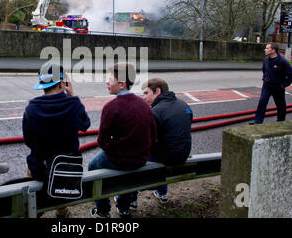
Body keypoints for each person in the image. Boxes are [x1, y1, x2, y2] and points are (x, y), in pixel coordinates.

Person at [22, 62, 91, 218]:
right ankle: (62, 210)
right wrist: (73, 94)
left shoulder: (31, 109)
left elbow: (28, 141)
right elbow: (85, 125)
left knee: (31, 166)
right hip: (67, 168)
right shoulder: (73, 104)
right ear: (62, 83)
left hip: (40, 168)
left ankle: (35, 208)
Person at [89, 62, 157, 218]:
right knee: (128, 174)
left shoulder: (111, 107)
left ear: (121, 84)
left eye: (110, 79)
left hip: (121, 158)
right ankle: (124, 207)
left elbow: (102, 142)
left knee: (93, 166)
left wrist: (117, 148)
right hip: (140, 159)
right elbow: (153, 134)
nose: (107, 82)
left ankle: (103, 210)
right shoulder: (145, 105)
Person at [136, 78, 192, 204]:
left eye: (146, 93)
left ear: (158, 91)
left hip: (167, 157)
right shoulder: (184, 105)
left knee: (133, 157)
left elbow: (147, 140)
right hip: (183, 154)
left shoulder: (155, 111)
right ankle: (162, 193)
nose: (144, 98)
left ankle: (130, 200)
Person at [253, 42, 292, 124]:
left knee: (280, 105)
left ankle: (280, 121)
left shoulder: (282, 61)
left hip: (278, 87)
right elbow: (264, 69)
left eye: (267, 48)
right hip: (267, 85)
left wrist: (284, 85)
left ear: (273, 50)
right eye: (266, 48)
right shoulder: (266, 59)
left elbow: (291, 74)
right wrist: (265, 78)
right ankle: (258, 122)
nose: (265, 50)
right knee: (262, 102)